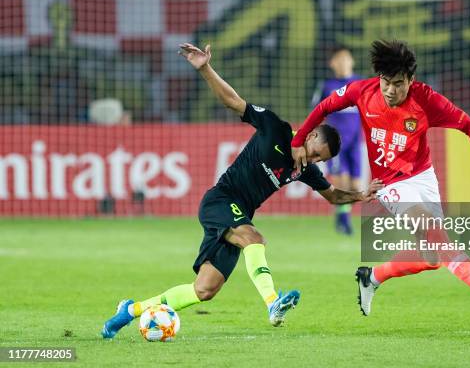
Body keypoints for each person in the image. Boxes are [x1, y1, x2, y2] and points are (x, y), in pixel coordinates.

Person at [101, 43, 383, 338]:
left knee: (204, 289)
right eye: (315, 153)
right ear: (310, 134)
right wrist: (206, 68)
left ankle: (130, 311)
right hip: (221, 200)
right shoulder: (275, 128)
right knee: (254, 238)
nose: (312, 161)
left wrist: (359, 195)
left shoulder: (303, 169)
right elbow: (234, 102)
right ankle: (273, 304)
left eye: (319, 161)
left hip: (236, 213)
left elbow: (332, 195)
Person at [291, 39, 470, 316]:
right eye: (385, 82)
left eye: (398, 83)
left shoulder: (425, 99)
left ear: (411, 80)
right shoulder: (362, 91)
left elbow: (465, 122)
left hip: (422, 176)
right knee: (436, 234)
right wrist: (299, 140)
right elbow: (323, 107)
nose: (390, 90)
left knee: (431, 258)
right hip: (389, 183)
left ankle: (372, 277)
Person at [312, 46, 363, 235]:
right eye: (338, 59)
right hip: (335, 143)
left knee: (356, 185)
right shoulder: (327, 86)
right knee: (341, 180)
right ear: (332, 63)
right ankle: (344, 222)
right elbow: (315, 110)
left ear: (352, 61)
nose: (342, 62)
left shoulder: (361, 83)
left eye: (346, 58)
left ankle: (342, 214)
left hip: (356, 142)